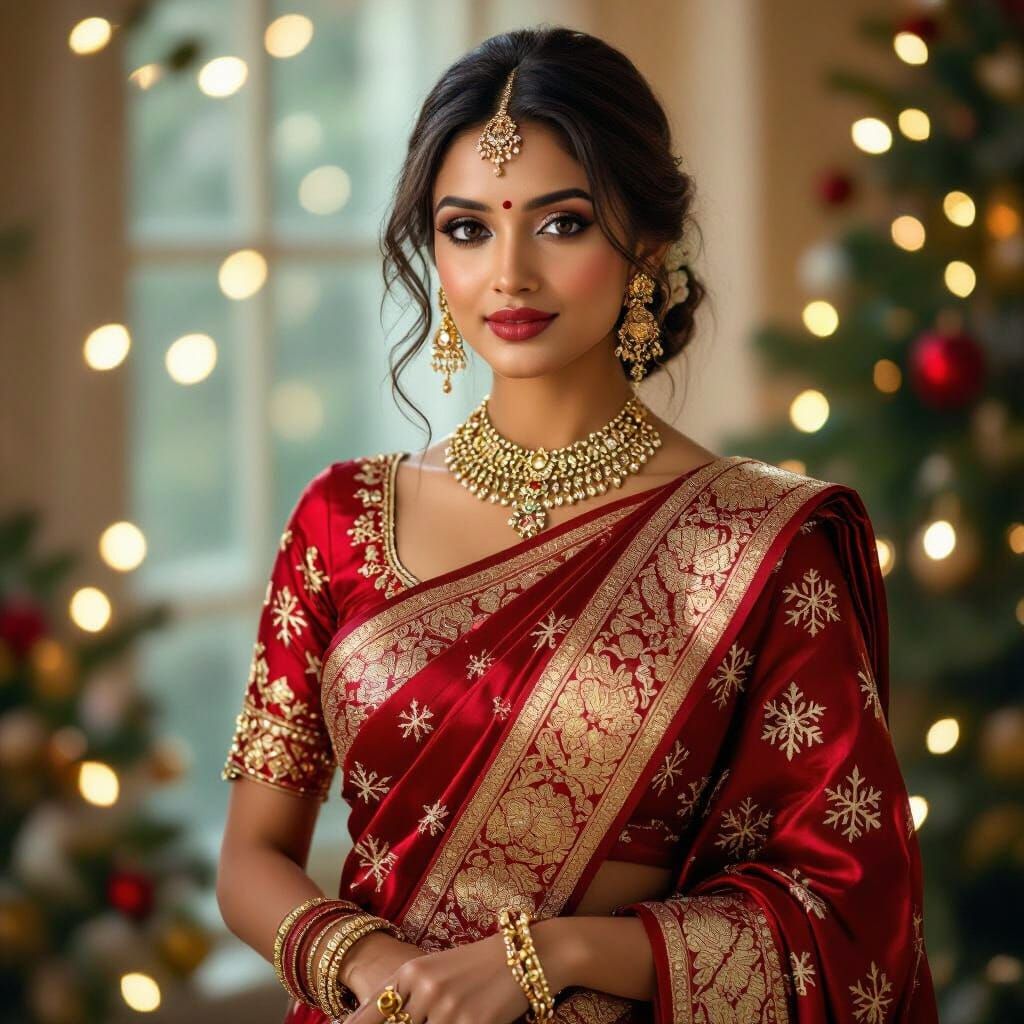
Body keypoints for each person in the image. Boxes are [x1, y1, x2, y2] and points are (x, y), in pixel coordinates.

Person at [217, 25, 939, 1024]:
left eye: (559, 225)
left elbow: (847, 902)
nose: (507, 275)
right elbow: (251, 855)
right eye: (467, 228)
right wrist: (377, 968)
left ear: (644, 240)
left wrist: (547, 956)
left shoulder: (757, 541)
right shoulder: (338, 519)